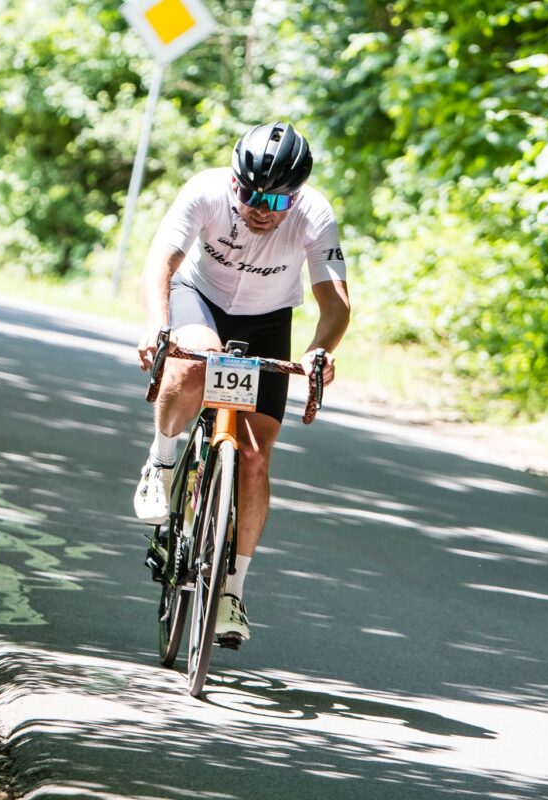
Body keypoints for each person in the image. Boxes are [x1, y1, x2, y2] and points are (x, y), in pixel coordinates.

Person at [134, 121, 350, 647]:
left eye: (277, 200)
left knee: (254, 458)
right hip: (199, 298)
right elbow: (161, 263)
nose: (261, 208)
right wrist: (157, 326)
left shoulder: (314, 214)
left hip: (268, 320)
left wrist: (320, 350)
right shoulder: (205, 191)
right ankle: (162, 460)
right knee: (196, 363)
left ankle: (231, 591)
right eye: (251, 194)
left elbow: (335, 303)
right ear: (234, 181)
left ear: (296, 195)